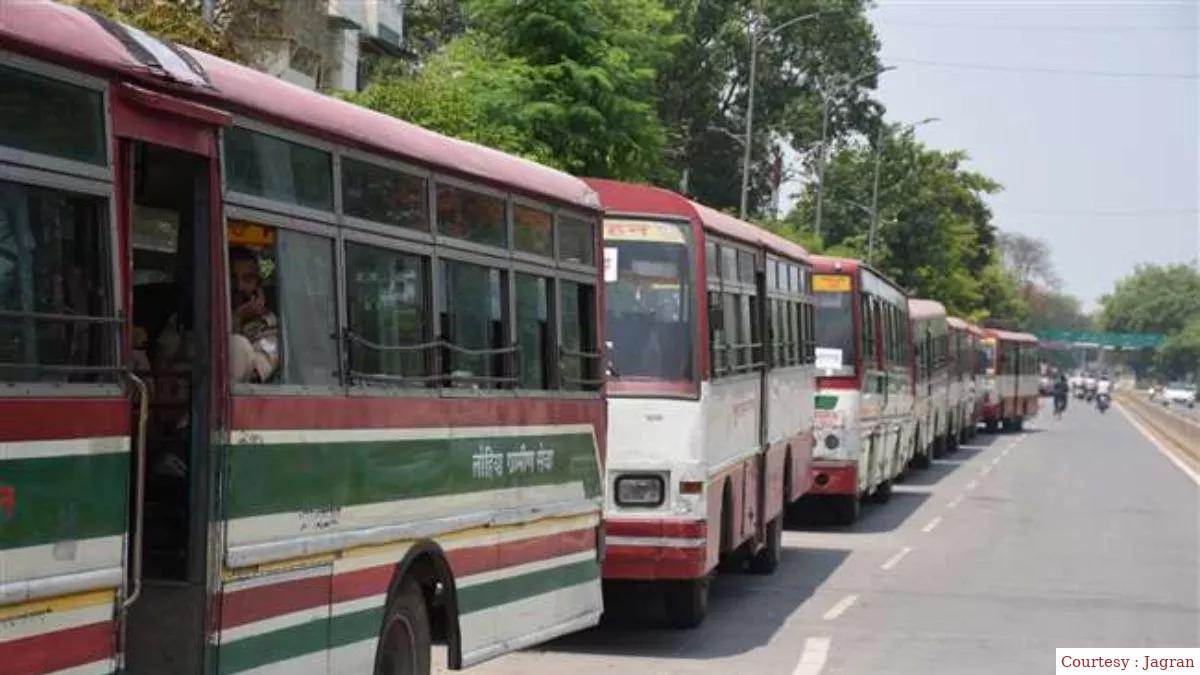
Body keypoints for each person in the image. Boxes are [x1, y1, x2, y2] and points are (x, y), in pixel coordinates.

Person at [229, 246, 279, 383]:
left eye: (247, 279)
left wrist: (236, 319)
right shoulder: (194, 314)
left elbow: (249, 378)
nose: (239, 287)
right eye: (232, 278)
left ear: (258, 286)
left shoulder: (269, 326)